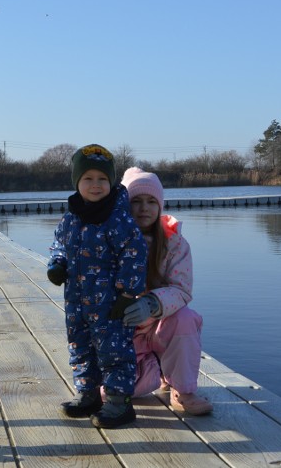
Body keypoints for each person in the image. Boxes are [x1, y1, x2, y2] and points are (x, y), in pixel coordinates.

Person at [47, 144, 148, 428]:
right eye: (88, 179)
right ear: (77, 182)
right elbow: (59, 246)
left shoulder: (119, 219)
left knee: (114, 351)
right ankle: (89, 394)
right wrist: (56, 264)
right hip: (76, 301)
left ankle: (119, 402)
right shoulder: (70, 218)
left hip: (111, 304)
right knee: (80, 346)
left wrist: (128, 294)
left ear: (112, 182)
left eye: (102, 179)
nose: (95, 185)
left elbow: (134, 254)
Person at [119, 168, 213, 415]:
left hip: (162, 324)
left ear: (160, 205)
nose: (144, 208)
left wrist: (151, 304)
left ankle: (183, 391)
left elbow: (181, 290)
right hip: (129, 330)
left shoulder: (176, 243)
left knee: (186, 318)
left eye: (151, 202)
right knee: (121, 390)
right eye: (136, 201)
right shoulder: (112, 241)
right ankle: (154, 370)